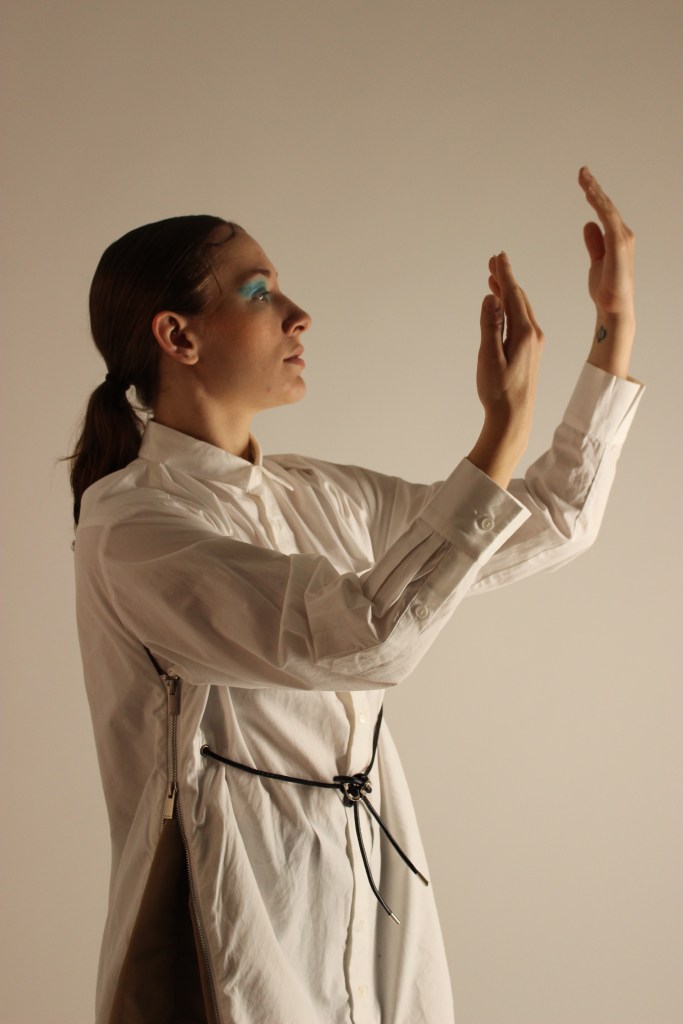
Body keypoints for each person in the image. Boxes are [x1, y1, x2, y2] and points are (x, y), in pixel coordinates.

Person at [71, 167, 642, 1024]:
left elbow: (550, 521)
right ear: (177, 336)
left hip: (377, 910)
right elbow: (364, 639)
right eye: (259, 292)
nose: (297, 314)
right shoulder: (132, 528)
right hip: (247, 923)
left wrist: (612, 327)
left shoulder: (317, 494)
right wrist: (500, 429)